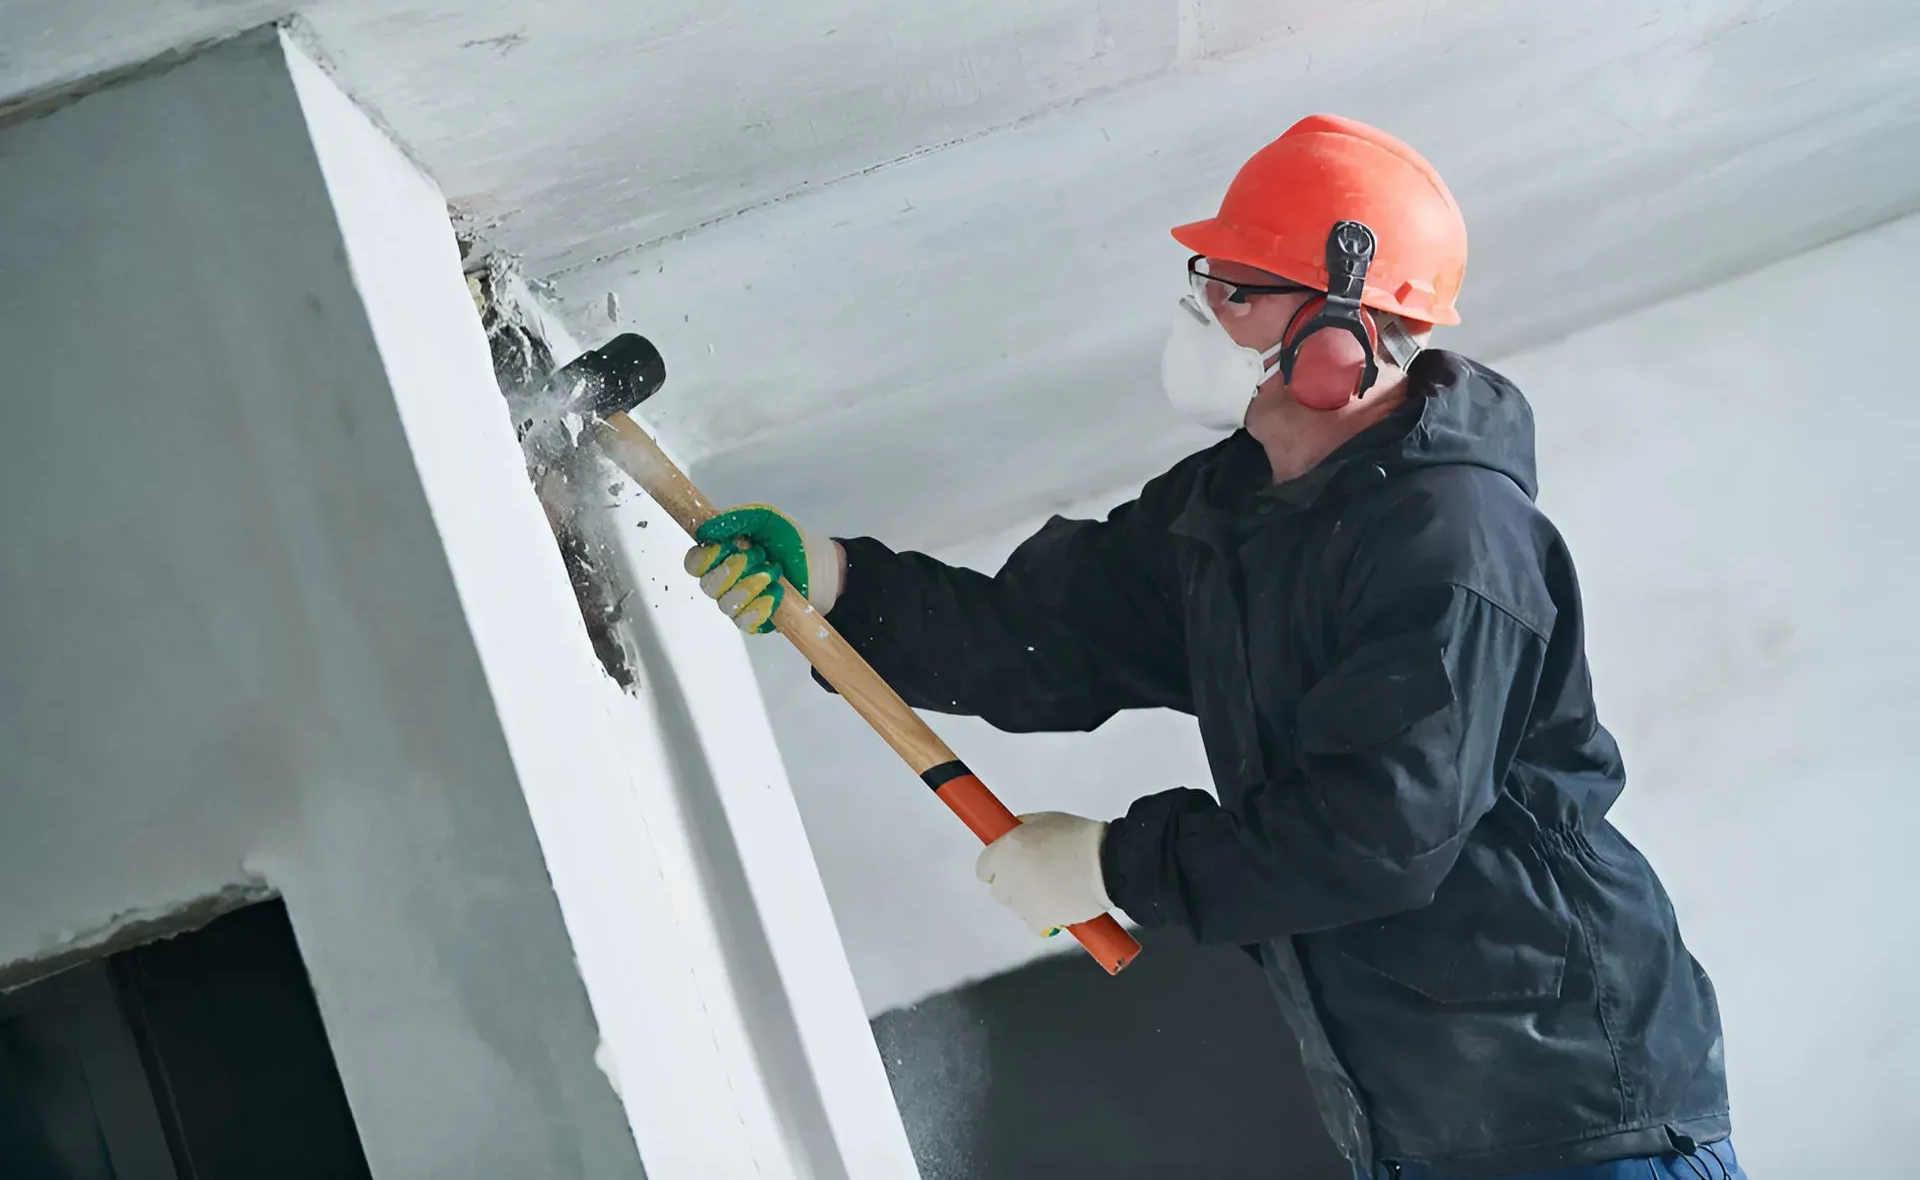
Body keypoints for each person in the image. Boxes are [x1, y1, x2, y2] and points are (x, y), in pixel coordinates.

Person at [685, 115, 1741, 1180]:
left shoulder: (1452, 543)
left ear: (1344, 339)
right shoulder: (1235, 507)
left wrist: (1113, 861)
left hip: (1577, 1115)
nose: (1201, 314)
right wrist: (837, 581)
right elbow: (1043, 642)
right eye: (1209, 282)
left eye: (1234, 292)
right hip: (1424, 1126)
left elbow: (1377, 833)